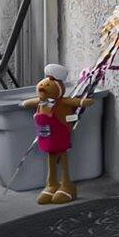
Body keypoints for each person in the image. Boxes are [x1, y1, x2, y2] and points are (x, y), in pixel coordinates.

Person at [27, 74, 81, 207]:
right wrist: (24, 103)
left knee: (63, 159)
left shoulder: (60, 103)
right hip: (47, 139)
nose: (43, 88)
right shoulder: (42, 103)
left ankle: (67, 185)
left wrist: (82, 102)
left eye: (46, 86)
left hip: (60, 137)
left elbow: (74, 102)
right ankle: (51, 184)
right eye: (42, 85)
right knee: (51, 158)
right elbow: (30, 102)